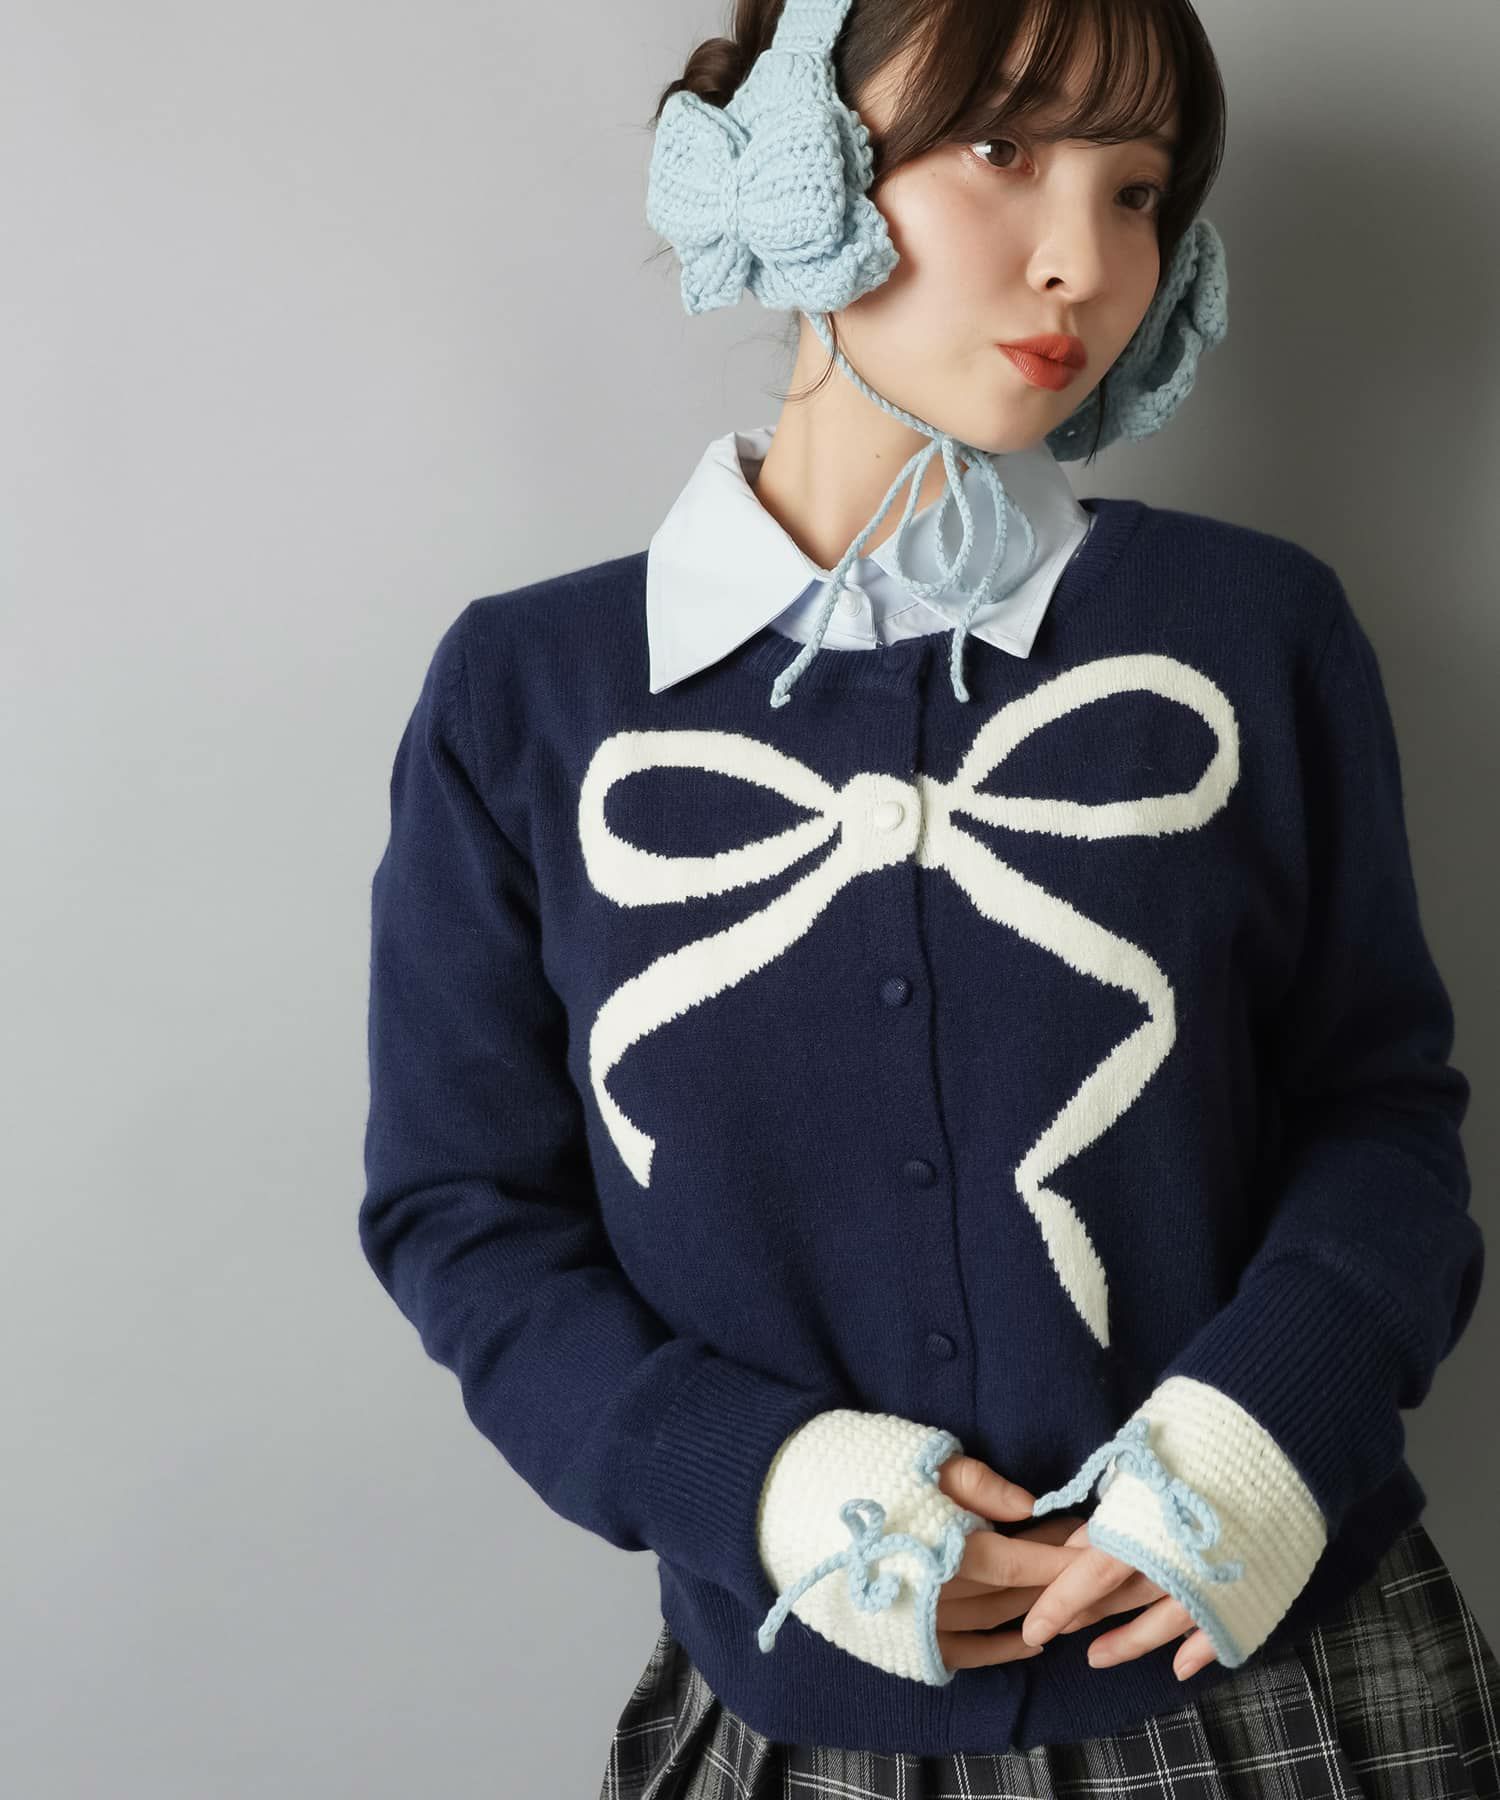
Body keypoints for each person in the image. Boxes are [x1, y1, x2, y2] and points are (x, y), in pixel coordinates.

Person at [359, 0, 1499, 1791]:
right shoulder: (530, 697)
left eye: (1139, 193)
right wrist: (755, 1481)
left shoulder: (1250, 633)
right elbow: (463, 1212)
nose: (1084, 262)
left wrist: (1259, 1438)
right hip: (807, 1702)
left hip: (1292, 1684)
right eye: (1000, 148)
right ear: (796, 165)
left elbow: (1380, 1114)